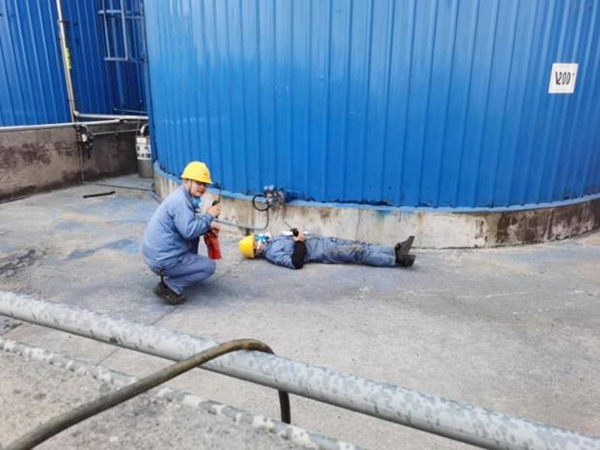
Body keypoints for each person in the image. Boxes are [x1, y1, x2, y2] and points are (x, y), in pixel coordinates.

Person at [143, 161, 222, 305]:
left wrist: (206, 227)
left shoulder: (181, 197)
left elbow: (186, 227)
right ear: (186, 181)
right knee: (209, 267)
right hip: (162, 260)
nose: (202, 188)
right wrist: (209, 216)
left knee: (194, 241)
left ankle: (180, 272)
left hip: (158, 255)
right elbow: (189, 232)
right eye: (198, 183)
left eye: (205, 184)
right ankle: (171, 286)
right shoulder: (181, 201)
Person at [238, 231, 415, 269]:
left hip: (324, 241)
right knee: (358, 252)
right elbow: (296, 263)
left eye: (256, 237)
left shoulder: (274, 241)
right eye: (256, 240)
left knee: (362, 245)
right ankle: (397, 260)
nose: (259, 238)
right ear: (256, 250)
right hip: (324, 251)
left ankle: (394, 250)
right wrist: (299, 242)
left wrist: (296, 235)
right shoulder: (272, 253)